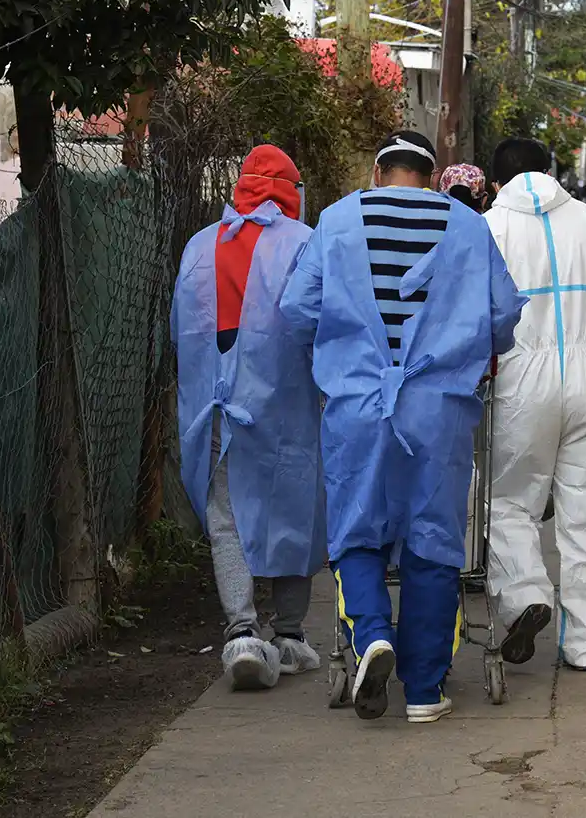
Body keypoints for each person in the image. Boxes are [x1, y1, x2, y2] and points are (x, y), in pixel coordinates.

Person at [280, 130, 525, 723]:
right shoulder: (467, 225)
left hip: (358, 405)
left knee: (357, 534)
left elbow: (296, 309)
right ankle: (422, 689)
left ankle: (371, 636)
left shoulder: (337, 222)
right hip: (436, 410)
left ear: (378, 170)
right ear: (429, 173)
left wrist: (344, 349)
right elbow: (502, 315)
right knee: (433, 541)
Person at [172, 144, 326, 691]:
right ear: (291, 191)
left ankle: (240, 632)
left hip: (215, 406)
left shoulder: (198, 246)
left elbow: (181, 334)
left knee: (225, 516)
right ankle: (288, 634)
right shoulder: (306, 244)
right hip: (286, 406)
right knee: (296, 510)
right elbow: (321, 323)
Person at [482, 138, 586, 671]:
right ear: (551, 171)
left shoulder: (489, 228)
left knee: (505, 504)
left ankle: (527, 595)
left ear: (494, 181)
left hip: (521, 389)